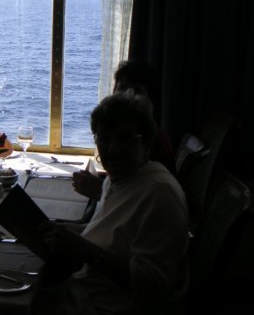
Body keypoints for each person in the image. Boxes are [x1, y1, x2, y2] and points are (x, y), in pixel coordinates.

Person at [36, 91, 190, 315]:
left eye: (125, 138)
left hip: (106, 306)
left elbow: (154, 286)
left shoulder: (159, 194)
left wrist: (84, 249)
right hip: (86, 291)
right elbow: (117, 235)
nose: (113, 149)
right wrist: (73, 231)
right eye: (104, 138)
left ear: (146, 143)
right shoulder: (119, 177)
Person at [73, 59, 175, 200]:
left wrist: (98, 191)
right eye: (121, 89)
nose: (127, 95)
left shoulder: (152, 144)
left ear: (152, 101)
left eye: (136, 91)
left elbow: (136, 200)